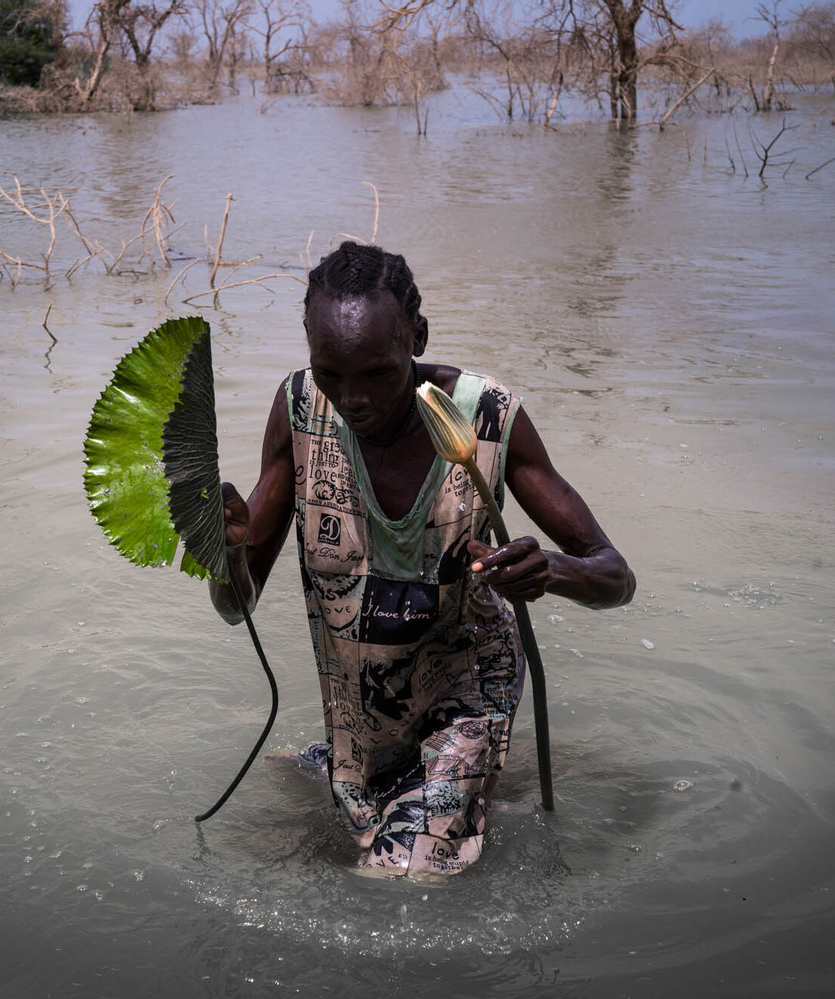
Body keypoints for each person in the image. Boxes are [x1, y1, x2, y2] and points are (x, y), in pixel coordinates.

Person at [210, 242, 634, 877]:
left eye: (377, 373)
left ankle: (461, 767)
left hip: (468, 685)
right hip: (360, 705)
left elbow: (615, 576)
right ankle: (348, 765)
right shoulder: (299, 410)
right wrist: (227, 552)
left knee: (407, 876)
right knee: (351, 825)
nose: (352, 400)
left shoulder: (486, 418)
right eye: (331, 373)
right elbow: (233, 608)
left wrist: (551, 569)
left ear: (418, 336)